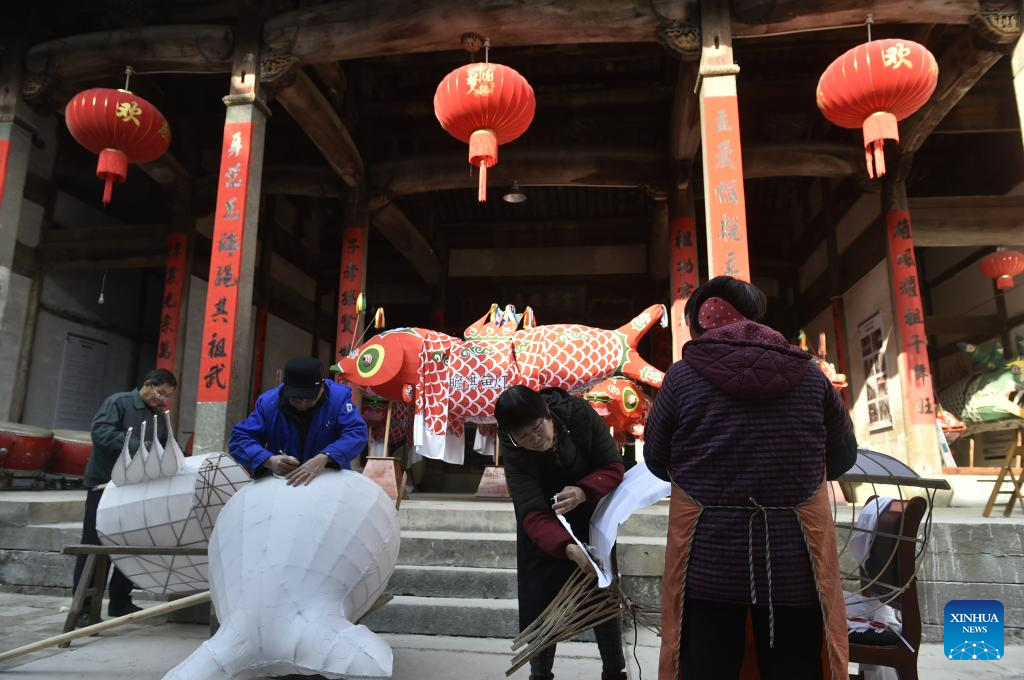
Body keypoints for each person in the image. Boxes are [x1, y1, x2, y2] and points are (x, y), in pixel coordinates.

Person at [644, 276, 858, 680]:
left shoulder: (681, 379)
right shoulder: (812, 377)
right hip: (794, 561)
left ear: (698, 324)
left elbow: (655, 460)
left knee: (707, 666)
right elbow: (844, 457)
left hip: (707, 560)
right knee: (795, 666)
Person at [494, 385, 627, 680]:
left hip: (592, 519)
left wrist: (583, 491)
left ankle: (614, 671)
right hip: (544, 531)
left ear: (548, 414)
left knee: (602, 596)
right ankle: (540, 675)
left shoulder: (579, 414)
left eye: (537, 429)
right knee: (541, 607)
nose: (534, 440)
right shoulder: (513, 446)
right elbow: (530, 510)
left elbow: (613, 466)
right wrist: (566, 546)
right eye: (524, 437)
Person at [73, 368, 177, 625]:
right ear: (147, 384)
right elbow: (101, 433)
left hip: (138, 489)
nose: (161, 399)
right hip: (105, 485)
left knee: (130, 544)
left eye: (166, 396)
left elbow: (162, 445)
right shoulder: (118, 402)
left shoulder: (158, 415)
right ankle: (85, 608)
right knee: (95, 545)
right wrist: (140, 447)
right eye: (159, 392)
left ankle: (120, 601)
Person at [230, 356, 368, 484]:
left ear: (321, 388)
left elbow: (356, 433)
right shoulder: (268, 403)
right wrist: (268, 460)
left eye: (310, 399)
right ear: (286, 389)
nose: (303, 404)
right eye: (295, 399)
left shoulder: (338, 399)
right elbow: (239, 439)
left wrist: (326, 456)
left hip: (329, 481)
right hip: (281, 483)